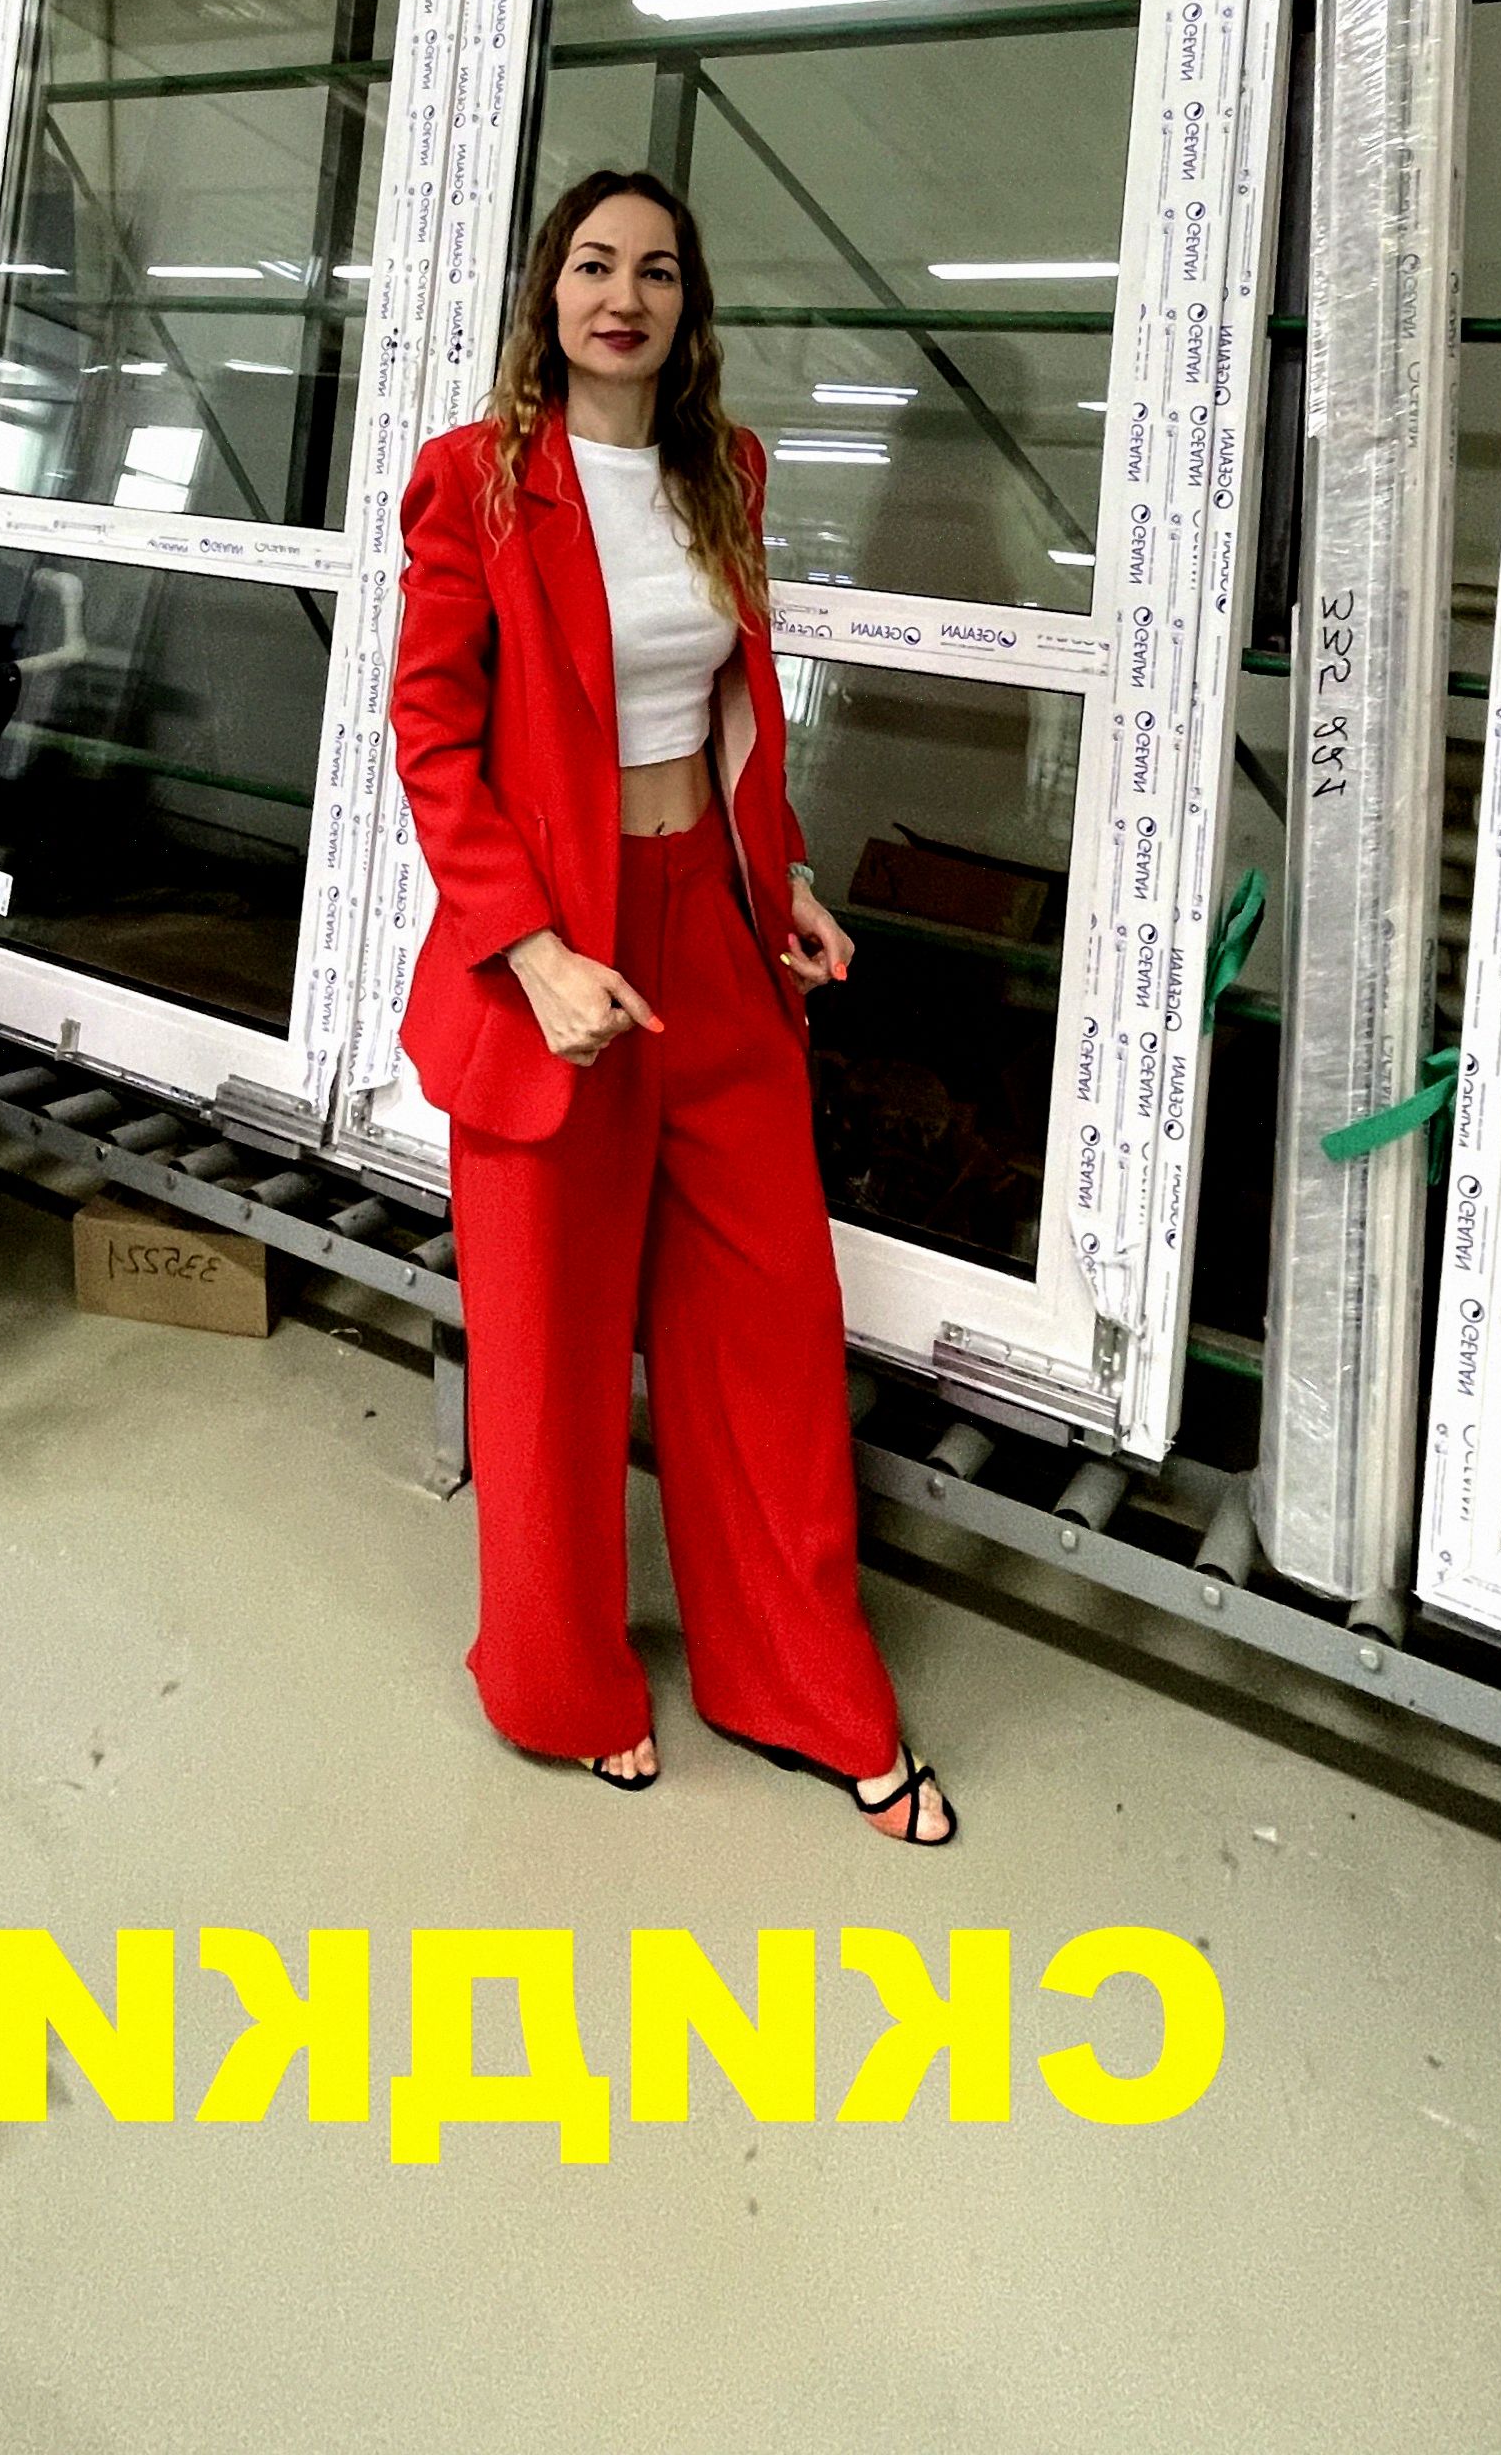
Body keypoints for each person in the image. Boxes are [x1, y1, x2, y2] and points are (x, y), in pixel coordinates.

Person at [389, 168, 956, 1844]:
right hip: (555, 959)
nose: (620, 296)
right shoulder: (473, 484)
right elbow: (432, 742)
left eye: (654, 270)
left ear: (688, 308)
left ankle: (797, 1686)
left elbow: (731, 714)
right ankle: (558, 1683)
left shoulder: (728, 475)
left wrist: (782, 875)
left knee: (767, 1322)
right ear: (547, 295)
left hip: (710, 932)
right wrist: (529, 952)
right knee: (550, 1351)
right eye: (591, 265)